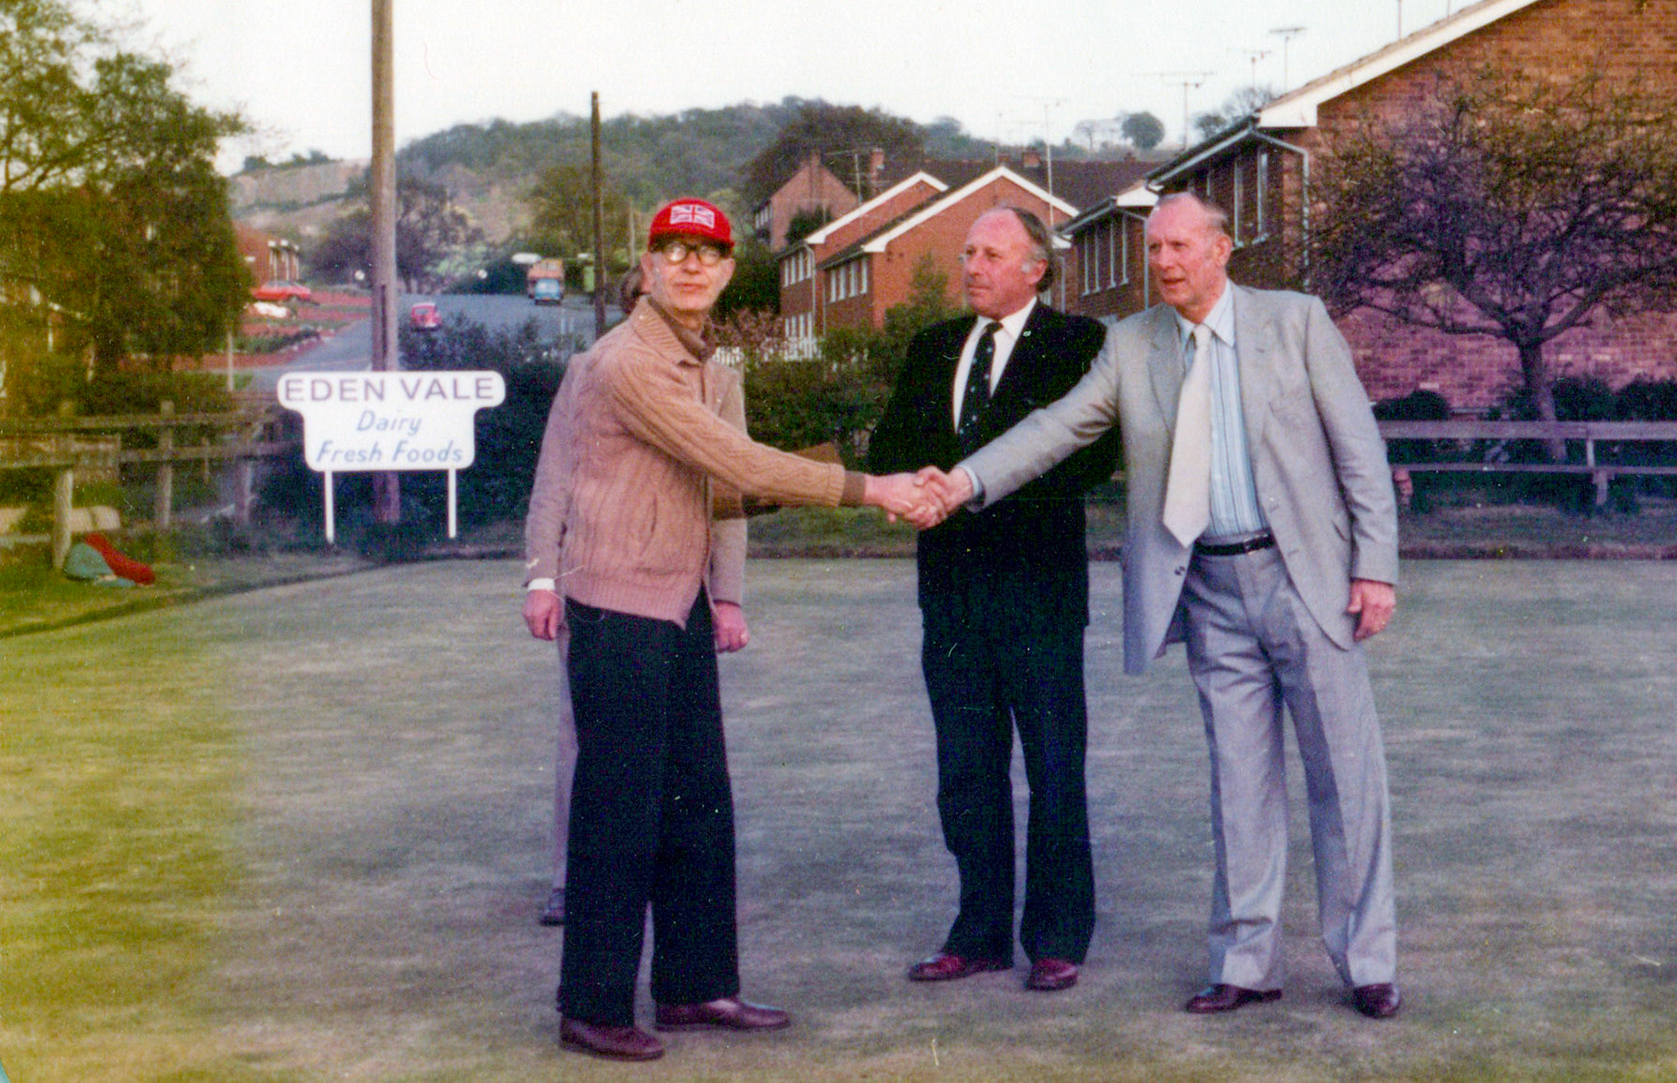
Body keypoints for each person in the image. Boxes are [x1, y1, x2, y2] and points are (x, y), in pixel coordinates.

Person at [922, 191, 1404, 1020]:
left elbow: (1360, 451)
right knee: (1237, 783)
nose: (1166, 263)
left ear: (1222, 250)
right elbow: (1057, 427)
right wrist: (965, 481)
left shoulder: (1296, 322)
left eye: (1181, 246)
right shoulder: (1130, 343)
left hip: (1309, 582)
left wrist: (1376, 568)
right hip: (1208, 591)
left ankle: (1366, 961)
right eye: (1154, 251)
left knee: (1344, 780)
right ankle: (1246, 963)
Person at [529, 197, 934, 1062]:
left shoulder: (706, 362)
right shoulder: (624, 363)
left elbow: (723, 499)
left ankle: (694, 987)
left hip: (675, 608)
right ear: (645, 263)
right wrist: (872, 488)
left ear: (725, 271)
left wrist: (727, 593)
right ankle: (591, 1004)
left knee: (698, 806)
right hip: (617, 607)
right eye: (671, 252)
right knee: (617, 813)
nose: (689, 267)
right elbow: (737, 463)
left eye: (706, 255)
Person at [868, 207, 1119, 994]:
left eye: (991, 254)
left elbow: (1089, 456)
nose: (972, 266)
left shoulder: (1080, 345)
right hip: (948, 596)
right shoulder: (933, 345)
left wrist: (969, 492)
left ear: (1035, 268)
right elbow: (890, 450)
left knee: (1052, 766)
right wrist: (913, 491)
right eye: (968, 252)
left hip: (1037, 593)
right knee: (965, 772)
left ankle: (1055, 936)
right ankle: (977, 933)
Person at [523, 264, 663, 929]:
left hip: (673, 592)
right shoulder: (586, 373)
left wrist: (729, 596)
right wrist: (541, 578)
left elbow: (725, 503)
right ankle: (568, 877)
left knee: (673, 743)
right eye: (639, 302)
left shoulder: (712, 381)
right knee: (583, 736)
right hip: (593, 585)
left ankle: (658, 876)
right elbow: (554, 479)